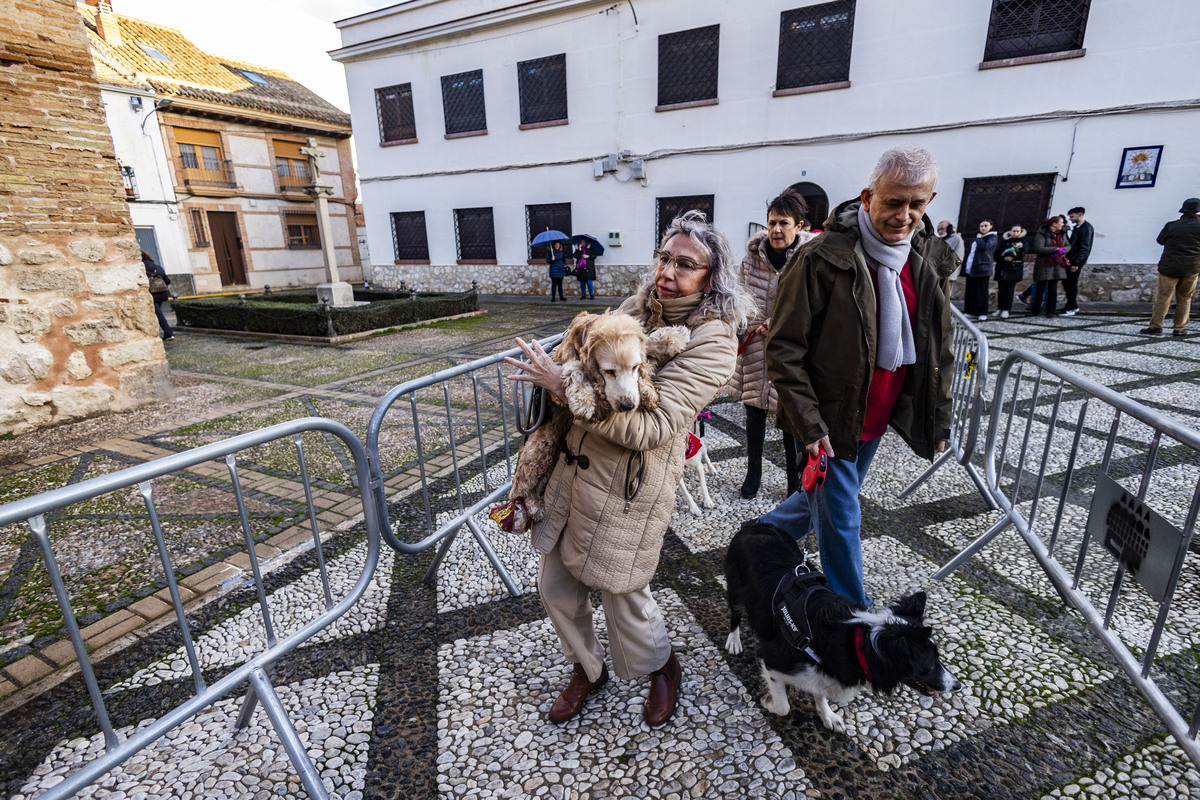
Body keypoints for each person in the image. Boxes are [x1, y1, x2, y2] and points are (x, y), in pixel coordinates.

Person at [507, 210, 754, 727]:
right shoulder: (632, 311)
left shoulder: (714, 340)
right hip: (572, 476)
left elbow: (653, 427)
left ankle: (662, 667)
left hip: (628, 489)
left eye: (686, 264)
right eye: (664, 257)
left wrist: (565, 389)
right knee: (555, 587)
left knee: (624, 598)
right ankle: (588, 668)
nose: (668, 271)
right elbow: (582, 365)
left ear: (712, 277)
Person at [760, 145, 955, 607]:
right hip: (829, 420)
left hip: (880, 413)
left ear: (930, 200)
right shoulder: (820, 258)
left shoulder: (928, 256)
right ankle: (854, 618)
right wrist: (809, 423)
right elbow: (784, 349)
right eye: (893, 202)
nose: (904, 215)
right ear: (868, 197)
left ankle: (757, 538)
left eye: (917, 203)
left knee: (818, 503)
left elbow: (938, 346)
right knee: (842, 515)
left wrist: (939, 417)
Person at [728, 189, 806, 500]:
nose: (776, 230)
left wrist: (777, 326)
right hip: (754, 348)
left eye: (784, 223)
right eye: (772, 222)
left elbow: (812, 307)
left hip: (789, 351)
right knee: (754, 413)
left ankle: (793, 480)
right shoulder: (750, 261)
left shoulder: (807, 260)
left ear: (798, 226)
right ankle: (753, 474)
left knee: (789, 421)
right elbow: (737, 299)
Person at [1141, 198, 1200, 337]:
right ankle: (1179, 328)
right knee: (1185, 298)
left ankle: (1156, 326)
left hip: (1169, 267)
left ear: (1183, 211)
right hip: (1191, 268)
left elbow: (1160, 240)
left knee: (1163, 297)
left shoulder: (1172, 226)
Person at [1029, 215, 1072, 317]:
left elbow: (1068, 245)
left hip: (1057, 263)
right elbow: (1039, 248)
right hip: (1044, 263)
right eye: (1061, 222)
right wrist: (1056, 250)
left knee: (1053, 288)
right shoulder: (1042, 233)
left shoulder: (1061, 234)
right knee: (1040, 287)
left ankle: (1051, 311)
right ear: (1054, 223)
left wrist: (1063, 250)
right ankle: (1035, 310)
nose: (1063, 224)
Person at [962, 219, 997, 320]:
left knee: (981, 292)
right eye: (981, 226)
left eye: (985, 225)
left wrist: (979, 239)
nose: (983, 228)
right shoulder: (978, 237)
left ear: (991, 226)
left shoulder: (992, 237)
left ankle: (982, 312)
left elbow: (984, 246)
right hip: (971, 269)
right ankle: (969, 311)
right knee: (970, 291)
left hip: (983, 269)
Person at [1062, 207, 1094, 316]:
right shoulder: (1079, 228)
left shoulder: (1086, 228)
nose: (1070, 219)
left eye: (1072, 216)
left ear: (1079, 215)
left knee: (1071, 284)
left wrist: (1077, 262)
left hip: (1075, 261)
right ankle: (1071, 305)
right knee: (1068, 283)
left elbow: (1084, 247)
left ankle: (1071, 307)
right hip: (1072, 259)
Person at [993, 223, 1029, 319]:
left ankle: (1006, 309)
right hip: (1002, 268)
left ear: (1021, 232)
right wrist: (1003, 257)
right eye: (1013, 231)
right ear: (1010, 231)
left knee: (1009, 290)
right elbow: (996, 254)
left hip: (1014, 268)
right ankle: (1000, 308)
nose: (1015, 233)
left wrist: (1012, 255)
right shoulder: (1004, 242)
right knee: (1001, 290)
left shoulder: (1023, 242)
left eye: (1017, 231)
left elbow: (1022, 254)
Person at [142, 251, 174, 340]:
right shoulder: (157, 267)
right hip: (162, 293)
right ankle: (163, 332)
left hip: (152, 294)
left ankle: (168, 333)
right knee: (157, 313)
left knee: (158, 314)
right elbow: (167, 281)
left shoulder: (141, 268)